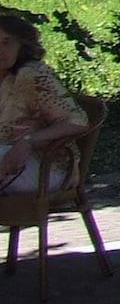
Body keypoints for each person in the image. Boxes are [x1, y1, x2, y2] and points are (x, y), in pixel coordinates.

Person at [0, 16, 89, 198]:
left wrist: (28, 141)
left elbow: (77, 121)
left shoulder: (32, 76)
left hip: (45, 167)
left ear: (21, 45)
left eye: (6, 42)